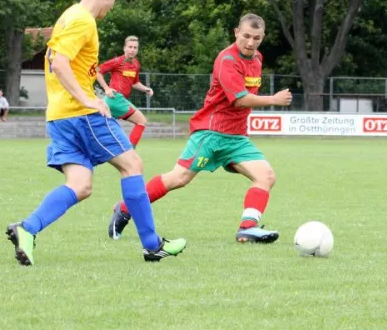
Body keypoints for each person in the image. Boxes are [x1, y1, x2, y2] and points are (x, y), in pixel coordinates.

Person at [5, 0, 186, 266]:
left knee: (80, 185)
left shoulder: (67, 16)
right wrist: (89, 100)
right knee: (132, 164)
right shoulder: (82, 20)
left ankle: (27, 229)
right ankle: (153, 245)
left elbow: (58, 62)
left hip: (59, 116)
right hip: (81, 114)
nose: (112, 6)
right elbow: (60, 64)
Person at [108, 13, 293, 243]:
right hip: (211, 132)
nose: (250, 42)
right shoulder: (227, 60)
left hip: (236, 138)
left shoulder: (257, 59)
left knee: (266, 176)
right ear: (236, 32)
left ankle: (247, 227)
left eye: (256, 38)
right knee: (179, 178)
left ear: (262, 37)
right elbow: (239, 99)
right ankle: (125, 208)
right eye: (246, 36)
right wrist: (273, 99)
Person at [96, 36, 153, 147]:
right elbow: (97, 71)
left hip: (118, 100)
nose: (132, 49)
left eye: (135, 47)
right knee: (141, 121)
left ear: (137, 50)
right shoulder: (117, 61)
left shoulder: (136, 64)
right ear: (124, 48)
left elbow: (135, 82)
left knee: (101, 125)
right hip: (115, 98)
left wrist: (146, 89)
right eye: (130, 47)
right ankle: (130, 151)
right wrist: (106, 88)